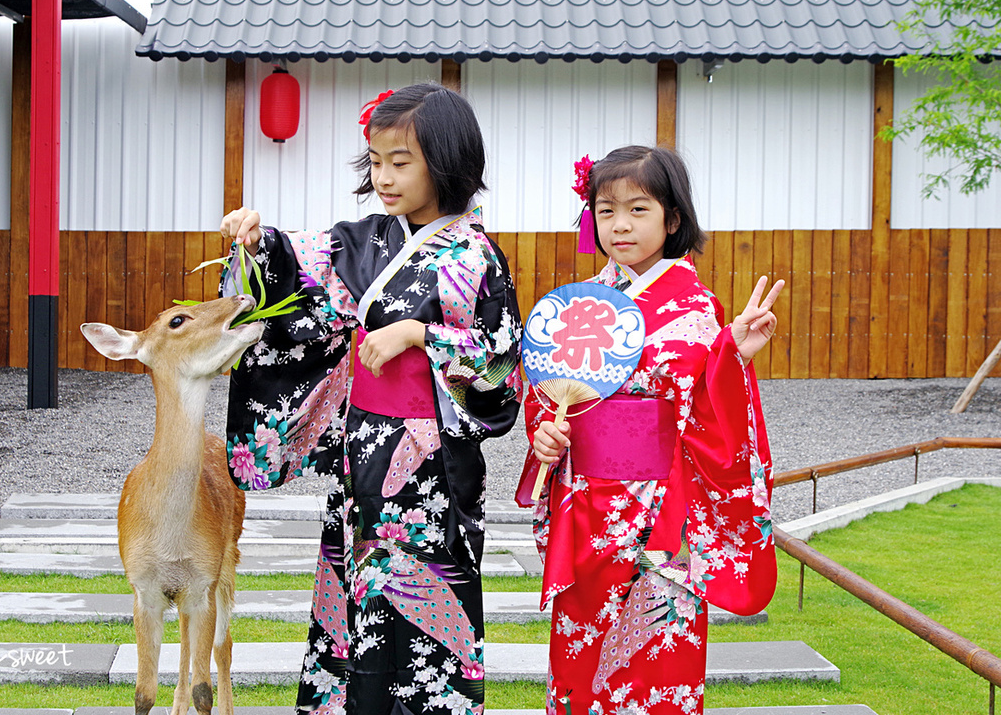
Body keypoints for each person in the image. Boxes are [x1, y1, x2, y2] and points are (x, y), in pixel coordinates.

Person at [219, 83, 523, 715]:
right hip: (364, 454)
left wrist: (420, 333)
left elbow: (498, 364)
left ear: (445, 162)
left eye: (400, 162)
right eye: (376, 161)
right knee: (353, 604)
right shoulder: (361, 241)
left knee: (421, 617)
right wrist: (257, 240)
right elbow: (295, 271)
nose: (383, 177)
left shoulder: (474, 256)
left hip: (432, 466)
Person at [518, 145, 782, 715]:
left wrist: (732, 355)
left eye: (638, 209)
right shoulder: (581, 306)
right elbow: (546, 396)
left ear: (673, 218)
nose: (620, 224)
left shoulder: (697, 307)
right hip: (587, 506)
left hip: (665, 511)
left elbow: (717, 421)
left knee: (657, 663)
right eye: (606, 209)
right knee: (581, 658)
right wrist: (546, 436)